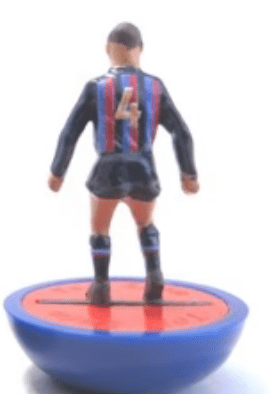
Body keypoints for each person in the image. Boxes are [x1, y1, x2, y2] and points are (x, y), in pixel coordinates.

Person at [48, 22, 199, 305]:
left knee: (100, 228)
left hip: (108, 170)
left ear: (108, 49)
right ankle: (154, 276)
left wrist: (58, 171)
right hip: (143, 168)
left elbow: (71, 130)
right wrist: (188, 173)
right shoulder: (155, 87)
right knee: (146, 224)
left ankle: (101, 285)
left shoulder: (96, 87)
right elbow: (181, 131)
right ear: (140, 49)